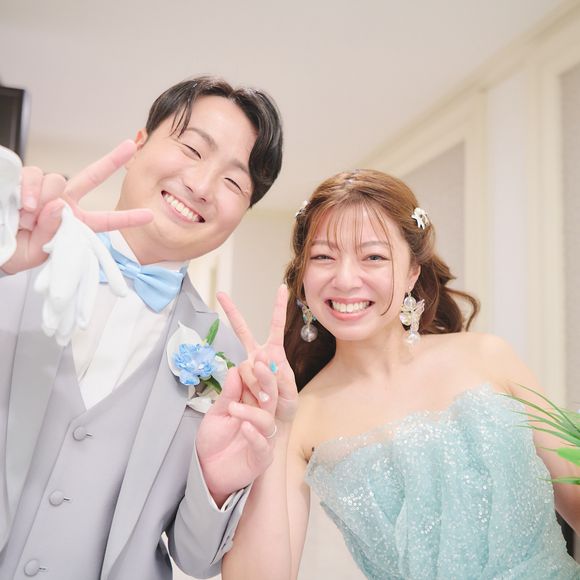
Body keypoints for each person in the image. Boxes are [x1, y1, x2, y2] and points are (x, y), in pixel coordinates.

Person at [221, 169, 580, 579]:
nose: (345, 279)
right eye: (323, 257)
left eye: (373, 256)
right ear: (303, 278)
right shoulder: (300, 419)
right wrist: (277, 425)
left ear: (412, 272)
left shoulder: (488, 356)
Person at [0, 76, 284, 580]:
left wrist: (215, 483)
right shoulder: (15, 260)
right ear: (137, 145)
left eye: (234, 182)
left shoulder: (227, 363)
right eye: (192, 148)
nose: (201, 186)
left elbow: (196, 559)